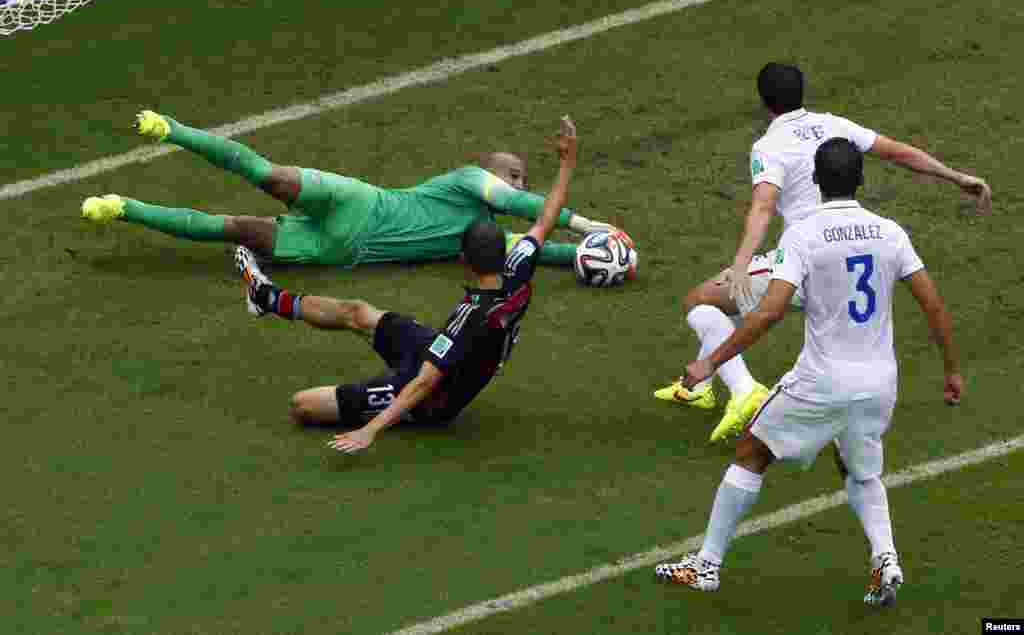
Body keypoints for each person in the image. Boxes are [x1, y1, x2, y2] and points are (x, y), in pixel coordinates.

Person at [654, 139, 963, 607]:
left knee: (751, 452)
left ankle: (706, 565)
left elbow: (771, 311)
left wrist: (710, 362)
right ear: (861, 179)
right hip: (879, 383)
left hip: (822, 380)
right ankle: (887, 557)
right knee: (860, 471)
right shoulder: (890, 232)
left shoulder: (804, 234)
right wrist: (952, 370)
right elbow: (932, 302)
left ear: (816, 182)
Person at [655, 62, 989, 442]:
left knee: (701, 303)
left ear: (765, 102)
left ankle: (745, 391)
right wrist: (957, 177)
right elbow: (900, 153)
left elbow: (763, 206)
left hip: (803, 264)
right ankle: (700, 387)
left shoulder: (768, 146)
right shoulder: (836, 126)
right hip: (850, 269)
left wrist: (741, 263)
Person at [232, 116, 579, 454]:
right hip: (444, 356)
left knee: (302, 406)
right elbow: (545, 219)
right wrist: (567, 161)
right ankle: (267, 298)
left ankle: (389, 412)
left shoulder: (469, 318)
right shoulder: (518, 267)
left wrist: (371, 430)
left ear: (466, 261)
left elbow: (425, 381)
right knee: (357, 312)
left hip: (435, 398)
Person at [80, 110, 623, 270]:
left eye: (522, 177)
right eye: (512, 173)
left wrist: (594, 256)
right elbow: (524, 208)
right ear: (487, 171)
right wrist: (582, 222)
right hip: (360, 201)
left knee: (234, 230)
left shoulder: (480, 241)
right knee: (268, 175)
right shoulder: (468, 183)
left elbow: (535, 250)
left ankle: (124, 208)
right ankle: (171, 129)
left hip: (344, 249)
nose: (517, 182)